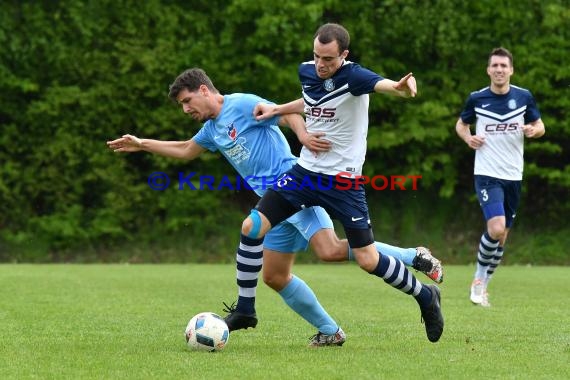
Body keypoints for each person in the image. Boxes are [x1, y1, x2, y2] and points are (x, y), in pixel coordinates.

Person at [107, 67, 443, 347]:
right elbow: (184, 149)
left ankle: (413, 256)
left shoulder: (241, 103)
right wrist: (142, 144)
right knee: (275, 276)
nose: (185, 109)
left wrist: (304, 136)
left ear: (204, 90)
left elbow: (288, 114)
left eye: (186, 101)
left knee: (330, 250)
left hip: (294, 187)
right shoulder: (211, 130)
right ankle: (331, 332)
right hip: (272, 205)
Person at [237, 23, 444, 343]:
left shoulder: (354, 76)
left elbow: (384, 85)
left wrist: (401, 87)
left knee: (367, 260)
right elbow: (309, 101)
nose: (321, 64)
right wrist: (277, 109)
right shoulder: (307, 71)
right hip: (303, 174)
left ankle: (425, 296)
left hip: (343, 182)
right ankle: (245, 310)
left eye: (329, 59)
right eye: (317, 56)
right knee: (252, 227)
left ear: (344, 55)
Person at [455, 47, 545, 307]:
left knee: (501, 237)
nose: (499, 70)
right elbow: (462, 124)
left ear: (511, 70)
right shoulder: (477, 98)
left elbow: (540, 126)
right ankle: (478, 279)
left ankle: (484, 287)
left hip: (513, 175)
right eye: (494, 65)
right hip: (486, 173)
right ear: (488, 70)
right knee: (495, 228)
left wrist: (533, 131)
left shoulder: (524, 97)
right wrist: (468, 137)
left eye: (503, 66)